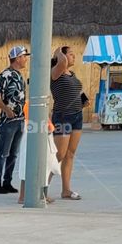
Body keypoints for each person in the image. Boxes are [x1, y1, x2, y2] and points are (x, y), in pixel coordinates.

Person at [0, 46, 29, 194]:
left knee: (13, 154)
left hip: (19, 120)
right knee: (3, 153)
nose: (26, 59)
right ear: (17, 58)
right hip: (8, 121)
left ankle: (7, 182)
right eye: (24, 56)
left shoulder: (19, 75)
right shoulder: (5, 75)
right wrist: (7, 110)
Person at [50, 46, 86, 200]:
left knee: (70, 154)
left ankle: (66, 190)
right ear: (61, 57)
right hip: (63, 116)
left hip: (77, 116)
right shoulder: (55, 73)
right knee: (59, 155)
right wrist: (58, 52)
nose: (74, 57)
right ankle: (41, 187)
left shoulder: (72, 74)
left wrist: (83, 101)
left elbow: (75, 92)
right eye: (71, 54)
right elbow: (62, 62)